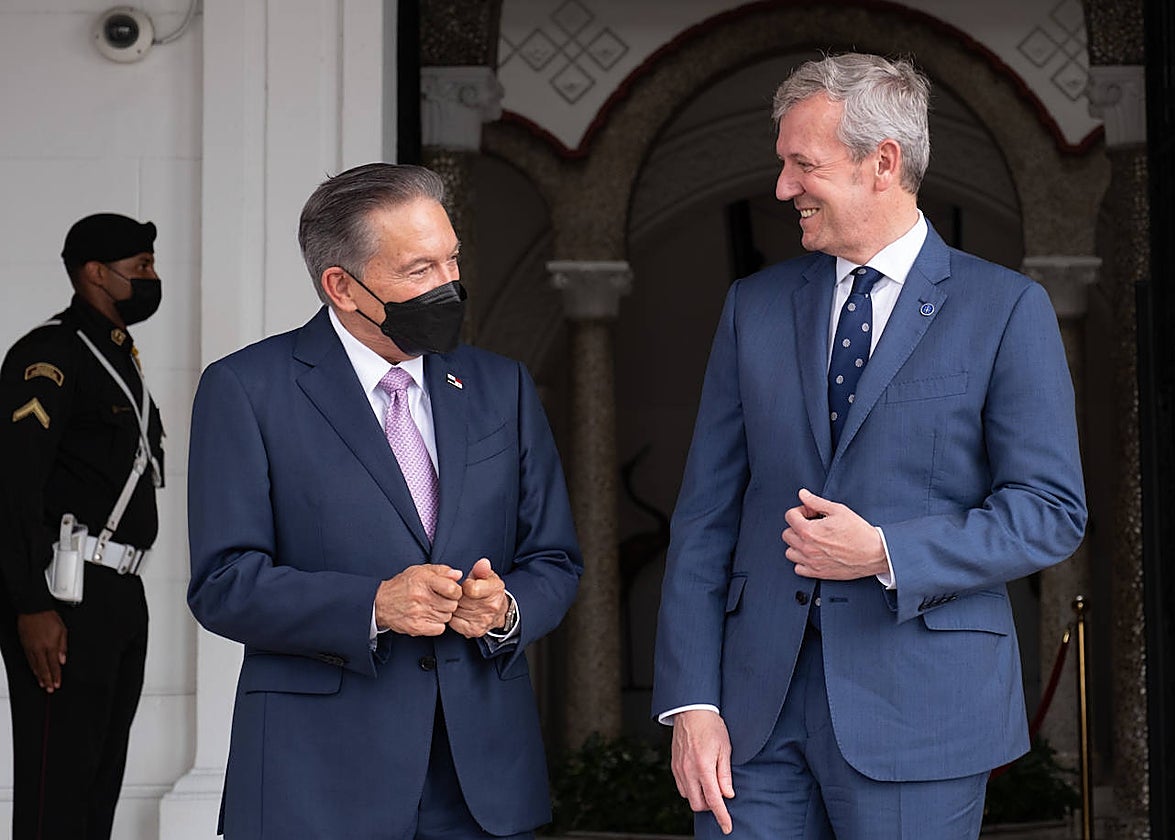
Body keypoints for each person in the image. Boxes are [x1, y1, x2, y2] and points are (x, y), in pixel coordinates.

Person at [652, 53, 1087, 839]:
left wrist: (886, 550)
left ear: (883, 163)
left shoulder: (1005, 309)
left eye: (802, 164)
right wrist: (693, 702)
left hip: (919, 711)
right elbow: (705, 514)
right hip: (751, 717)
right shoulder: (754, 307)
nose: (783, 187)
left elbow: (1049, 512)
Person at [187, 162, 582, 839]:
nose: (450, 285)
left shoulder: (502, 388)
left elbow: (554, 559)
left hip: (481, 781)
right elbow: (223, 583)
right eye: (419, 271)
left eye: (452, 260)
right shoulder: (246, 390)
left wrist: (506, 607)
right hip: (315, 779)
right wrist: (373, 605)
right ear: (342, 286)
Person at [0, 213, 165, 839]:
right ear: (96, 274)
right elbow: (12, 487)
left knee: (99, 780)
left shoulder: (116, 358)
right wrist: (30, 602)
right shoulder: (52, 356)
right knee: (57, 785)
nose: (152, 278)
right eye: (140, 267)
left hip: (117, 591)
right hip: (62, 595)